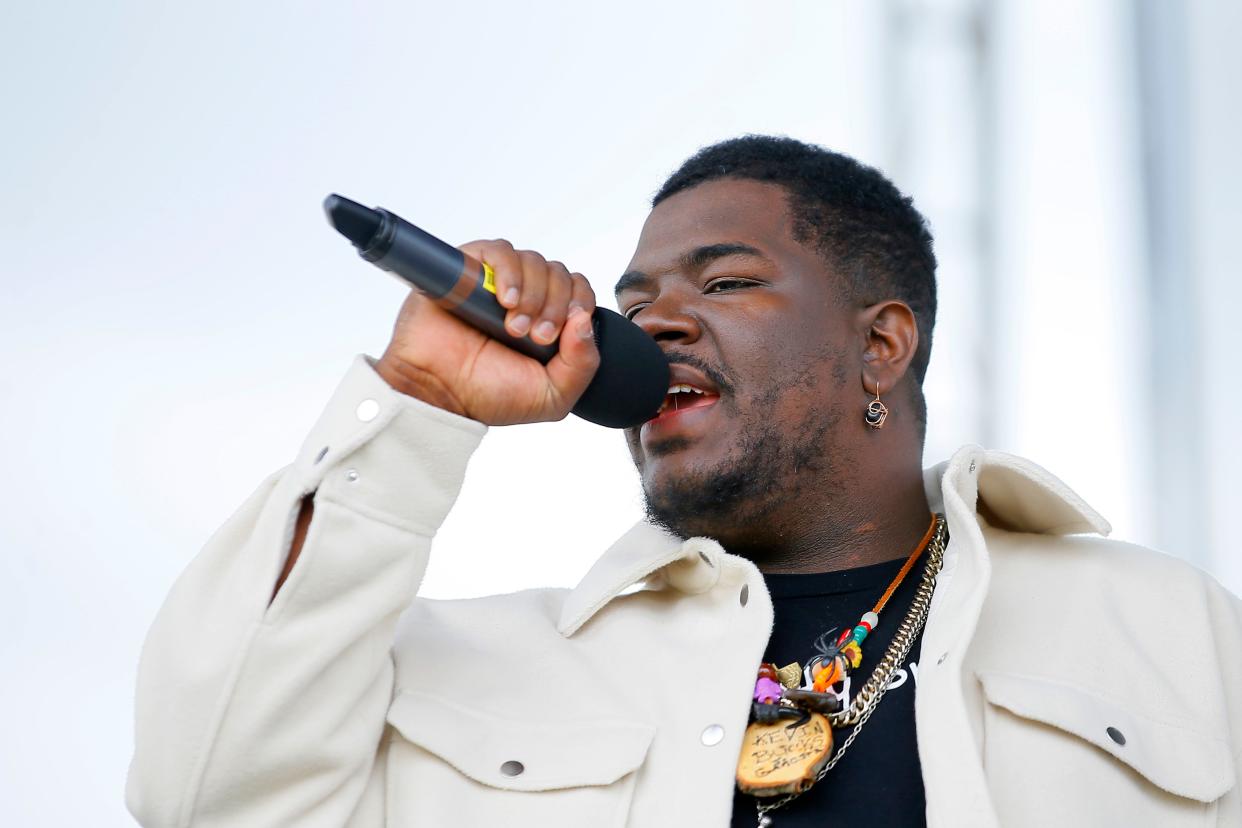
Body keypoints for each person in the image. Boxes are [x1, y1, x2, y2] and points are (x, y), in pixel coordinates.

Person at [126, 136, 1242, 828]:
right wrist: (422, 396)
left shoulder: (1162, 627)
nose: (653, 321)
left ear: (883, 346)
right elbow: (206, 796)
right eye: (636, 296)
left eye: (727, 278)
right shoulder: (470, 671)